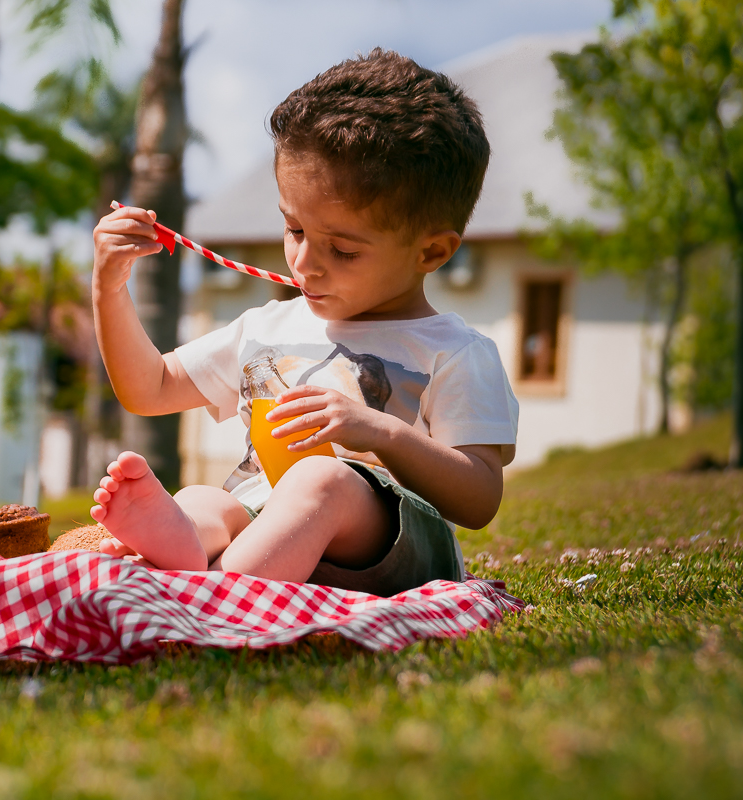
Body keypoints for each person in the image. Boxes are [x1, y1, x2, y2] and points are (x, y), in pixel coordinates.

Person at [88, 49, 519, 595]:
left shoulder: (455, 352)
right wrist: (109, 288)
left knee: (322, 480)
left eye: (341, 249)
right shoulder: (266, 328)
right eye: (294, 230)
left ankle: (214, 590)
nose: (303, 263)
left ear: (431, 252)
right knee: (205, 499)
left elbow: (479, 498)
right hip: (262, 523)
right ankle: (189, 548)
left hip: (392, 549)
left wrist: (378, 430)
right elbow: (148, 387)